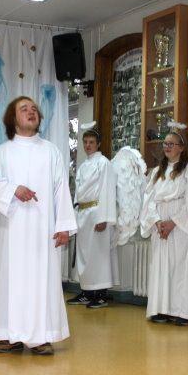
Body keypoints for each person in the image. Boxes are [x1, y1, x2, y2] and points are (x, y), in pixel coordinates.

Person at [0, 96, 77, 355]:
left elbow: (60, 190)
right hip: (11, 230)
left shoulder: (51, 151)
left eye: (34, 109)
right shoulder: (1, 153)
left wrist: (64, 225)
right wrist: (13, 190)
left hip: (42, 230)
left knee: (41, 279)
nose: (31, 112)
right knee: (10, 280)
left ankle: (41, 335)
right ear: (13, 119)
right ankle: (10, 335)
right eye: (24, 109)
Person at [139, 127, 188, 326]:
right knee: (161, 266)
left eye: (172, 143)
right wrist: (157, 222)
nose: (167, 147)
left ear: (181, 148)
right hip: (160, 223)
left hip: (180, 224)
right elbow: (148, 200)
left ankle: (182, 312)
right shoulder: (157, 172)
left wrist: (173, 222)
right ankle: (161, 309)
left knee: (181, 267)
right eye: (165, 143)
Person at [68, 125, 118, 309]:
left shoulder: (103, 163)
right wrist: (74, 214)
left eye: (91, 142)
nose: (88, 145)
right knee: (84, 255)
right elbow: (78, 194)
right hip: (84, 214)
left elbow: (107, 190)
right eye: (85, 142)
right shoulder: (82, 167)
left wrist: (103, 217)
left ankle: (101, 294)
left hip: (97, 213)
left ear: (98, 144)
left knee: (98, 254)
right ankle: (87, 292)